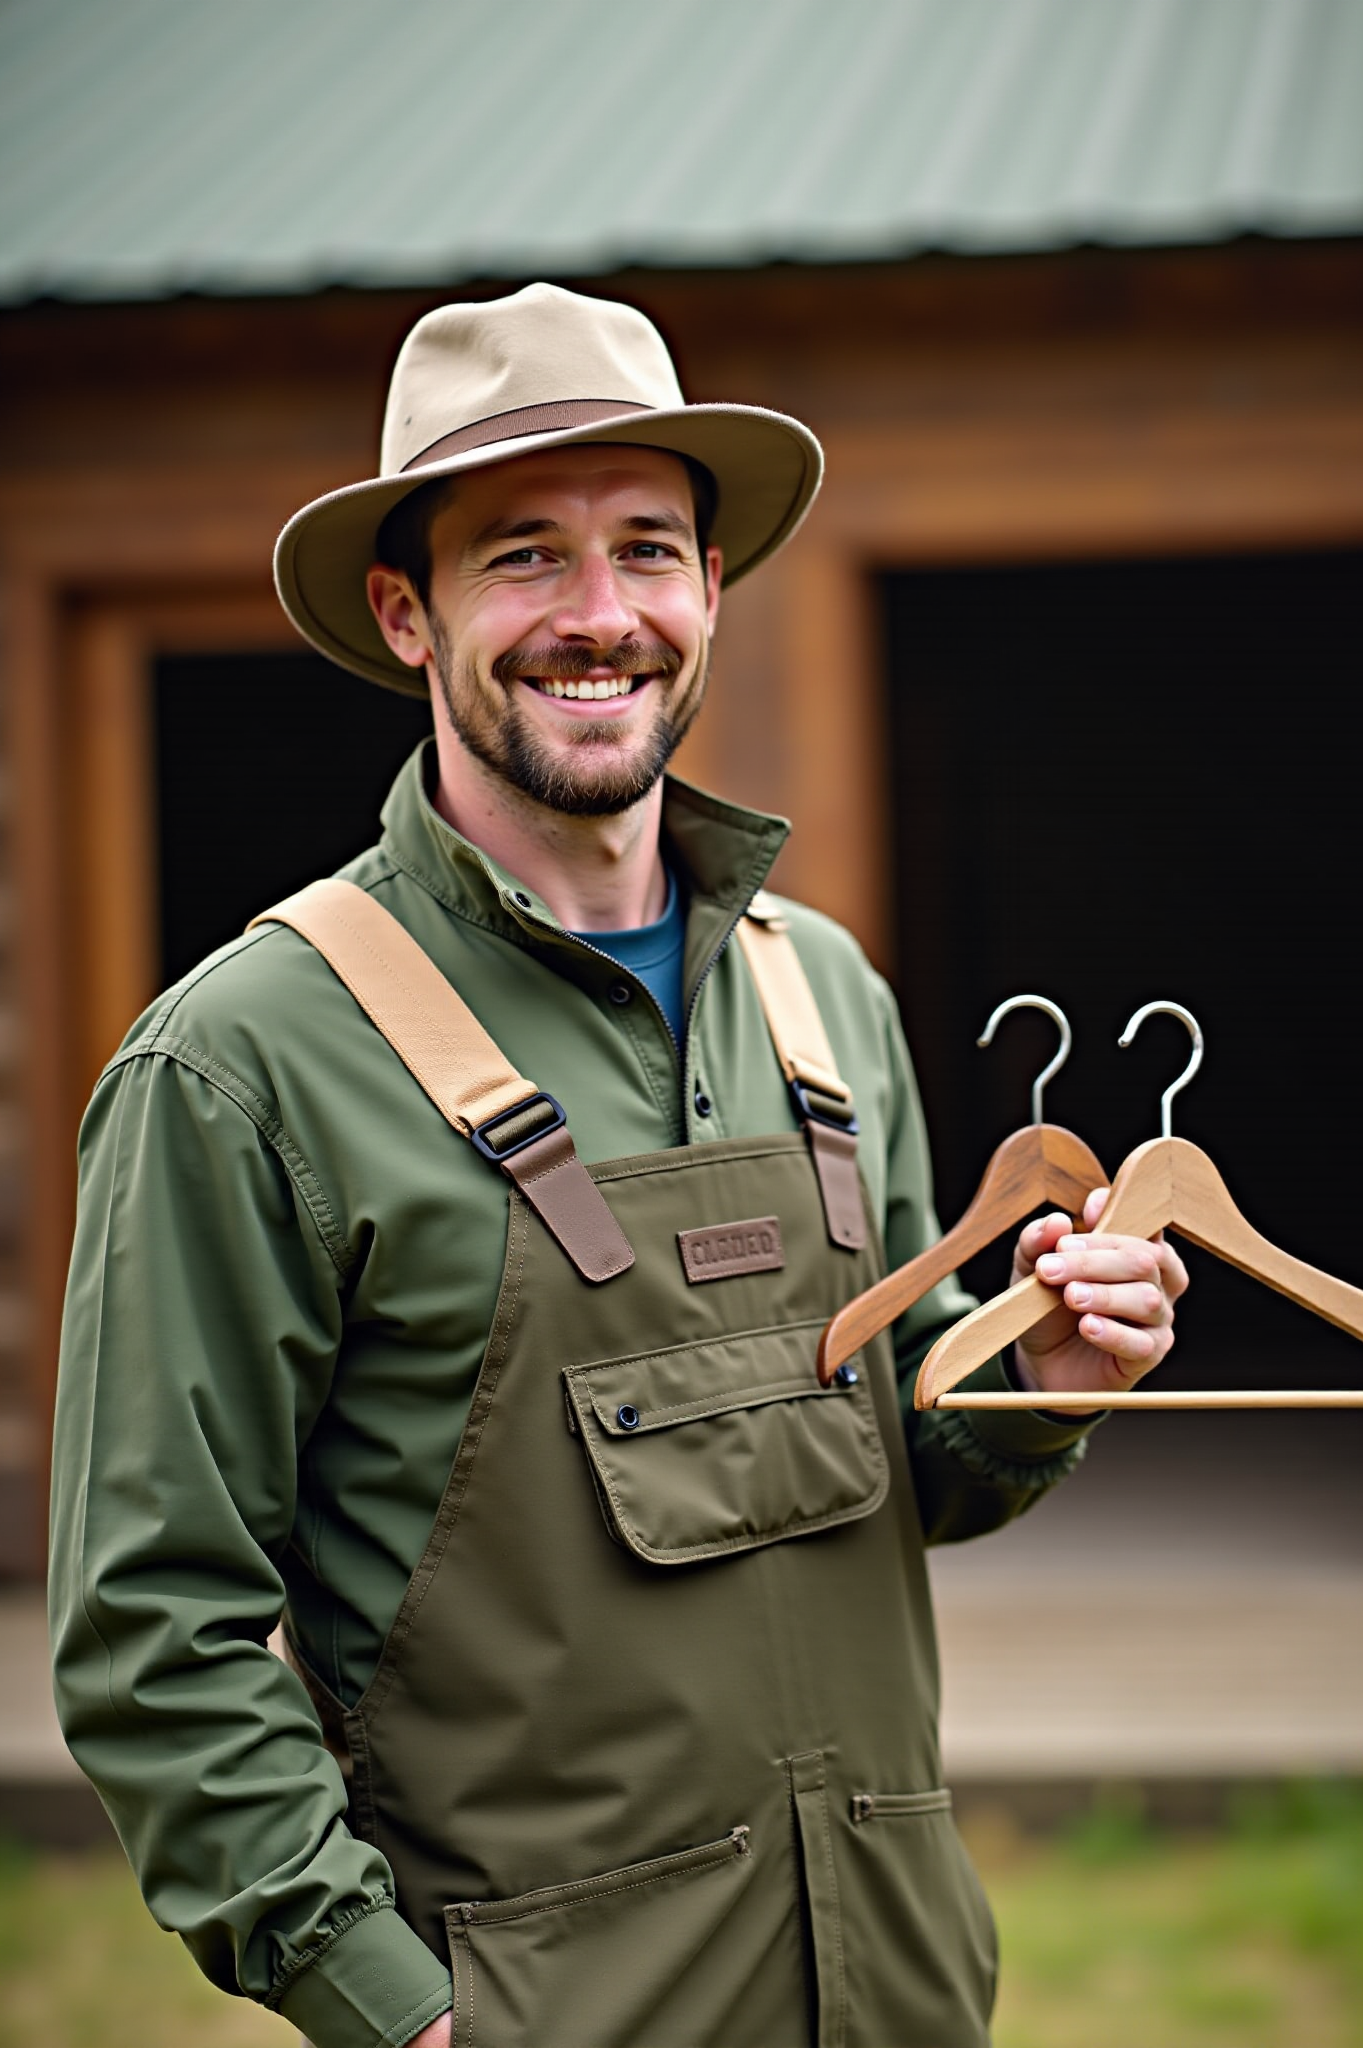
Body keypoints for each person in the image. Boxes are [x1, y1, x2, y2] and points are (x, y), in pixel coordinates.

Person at [50, 284, 1186, 2048]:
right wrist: (396, 2011)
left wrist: (1037, 1380)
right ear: (405, 612)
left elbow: (896, 1460)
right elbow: (156, 1637)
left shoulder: (823, 995)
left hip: (897, 1993)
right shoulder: (243, 1063)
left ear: (712, 589)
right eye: (524, 557)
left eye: (649, 549)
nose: (601, 618)